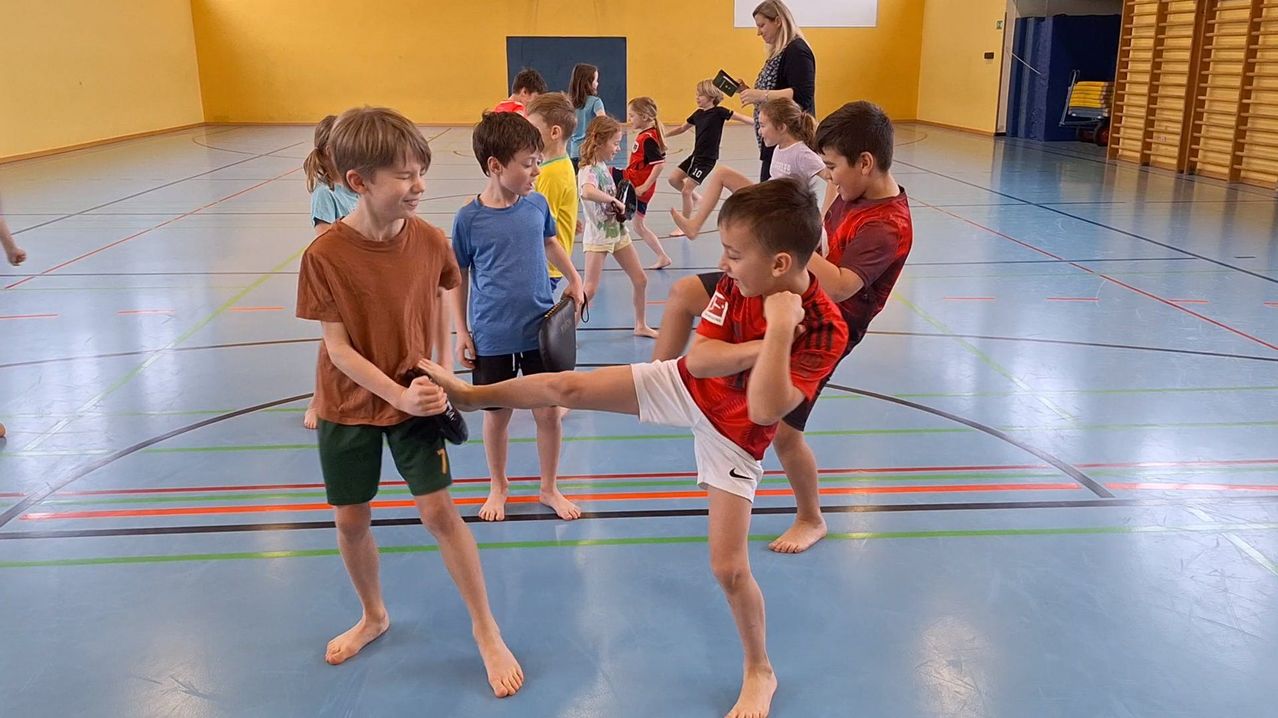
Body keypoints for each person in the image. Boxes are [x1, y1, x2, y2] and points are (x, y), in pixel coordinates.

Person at [417, 177, 849, 718]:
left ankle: (760, 669)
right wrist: (764, 342)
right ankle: (473, 396)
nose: (725, 264)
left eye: (735, 255)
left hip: (737, 436)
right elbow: (700, 361)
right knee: (569, 386)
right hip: (687, 387)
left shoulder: (825, 329)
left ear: (780, 263)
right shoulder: (741, 281)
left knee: (729, 568)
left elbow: (765, 409)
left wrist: (782, 330)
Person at [294, 106, 523, 697]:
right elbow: (337, 349)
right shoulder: (324, 256)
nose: (419, 185)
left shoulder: (427, 240)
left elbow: (444, 297)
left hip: (417, 401)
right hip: (348, 405)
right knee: (351, 520)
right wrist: (397, 392)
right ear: (358, 182)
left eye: (421, 171)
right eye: (404, 175)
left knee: (440, 514)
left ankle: (486, 628)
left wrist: (439, 374)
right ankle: (373, 615)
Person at [654, 100, 913, 554]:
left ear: (865, 163)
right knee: (684, 295)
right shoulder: (853, 192)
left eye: (833, 167)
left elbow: (841, 287)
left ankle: (812, 518)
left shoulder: (886, 225)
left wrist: (785, 239)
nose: (829, 177)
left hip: (818, 326)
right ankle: (659, 382)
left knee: (787, 436)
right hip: (785, 284)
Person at [449, 111, 586, 522]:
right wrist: (462, 331)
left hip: (539, 330)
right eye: (528, 164)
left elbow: (551, 243)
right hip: (492, 335)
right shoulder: (468, 219)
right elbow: (459, 276)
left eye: (537, 161)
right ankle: (499, 485)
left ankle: (549, 487)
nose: (536, 171)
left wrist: (576, 278)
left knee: (548, 413)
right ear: (495, 165)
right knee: (497, 416)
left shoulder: (536, 205)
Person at [670, 98, 828, 240]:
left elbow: (832, 179)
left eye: (763, 126)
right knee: (722, 174)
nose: (759, 131)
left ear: (781, 127)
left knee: (725, 181)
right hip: (768, 199)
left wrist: (823, 215)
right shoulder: (779, 147)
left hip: (780, 210)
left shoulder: (802, 153)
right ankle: (695, 225)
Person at [302, 114, 361, 430]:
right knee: (333, 342)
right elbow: (324, 241)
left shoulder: (358, 186)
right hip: (338, 280)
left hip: (365, 277)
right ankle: (318, 399)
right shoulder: (326, 194)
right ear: (328, 152)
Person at [577, 115, 658, 339]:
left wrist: (617, 206)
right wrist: (612, 200)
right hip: (598, 237)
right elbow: (587, 191)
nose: (618, 148)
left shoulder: (602, 166)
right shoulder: (588, 170)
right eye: (615, 143)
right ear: (599, 142)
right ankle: (566, 334)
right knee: (590, 289)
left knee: (640, 279)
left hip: (618, 233)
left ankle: (640, 325)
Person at [736, 0, 816, 180]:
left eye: (762, 25)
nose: (759, 32)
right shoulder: (779, 52)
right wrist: (748, 91)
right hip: (775, 136)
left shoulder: (797, 51)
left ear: (778, 21)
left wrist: (761, 95)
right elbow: (776, 89)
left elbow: (803, 95)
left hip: (788, 138)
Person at [664, 79, 754, 236]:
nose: (697, 98)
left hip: (706, 160)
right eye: (697, 94)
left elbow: (741, 118)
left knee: (686, 191)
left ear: (712, 96)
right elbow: (682, 128)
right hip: (695, 156)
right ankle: (697, 199)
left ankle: (685, 225)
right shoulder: (698, 114)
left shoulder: (720, 112)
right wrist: (663, 136)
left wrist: (759, 124)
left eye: (700, 95)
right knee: (673, 179)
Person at [526, 92, 579, 291]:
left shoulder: (551, 173)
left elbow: (542, 227)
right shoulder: (559, 164)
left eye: (533, 129)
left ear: (555, 132)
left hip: (544, 265)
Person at [622, 97, 674, 269]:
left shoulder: (649, 138)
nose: (630, 119)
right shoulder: (647, 135)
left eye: (632, 116)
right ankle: (663, 256)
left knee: (607, 173)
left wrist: (645, 186)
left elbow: (659, 164)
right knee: (638, 226)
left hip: (637, 185)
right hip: (634, 182)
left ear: (644, 116)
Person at [567, 63, 606, 172]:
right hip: (590, 152)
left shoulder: (569, 103)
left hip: (574, 153)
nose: (597, 83)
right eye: (596, 80)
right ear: (588, 83)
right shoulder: (596, 102)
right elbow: (604, 123)